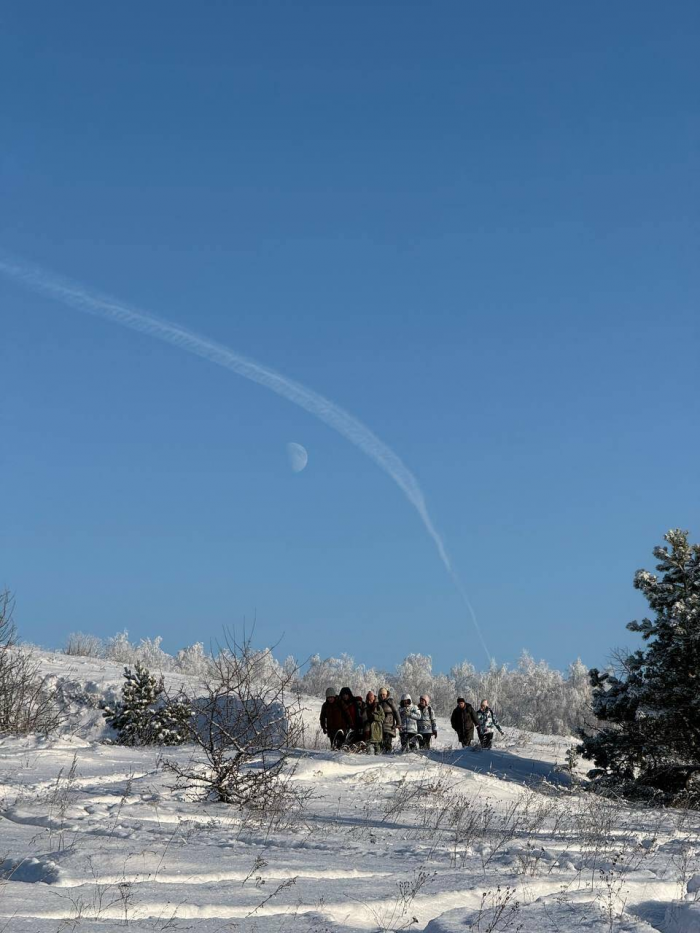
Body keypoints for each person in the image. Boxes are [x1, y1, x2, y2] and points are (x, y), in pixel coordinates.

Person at [378, 687, 400, 753]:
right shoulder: (378, 703)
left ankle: (388, 754)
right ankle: (381, 755)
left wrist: (398, 723)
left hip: (389, 725)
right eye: (381, 694)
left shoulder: (390, 702)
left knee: (388, 741)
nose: (382, 696)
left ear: (386, 694)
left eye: (384, 694)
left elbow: (396, 712)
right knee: (381, 741)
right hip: (381, 726)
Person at [363, 691, 385, 755]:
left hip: (376, 728)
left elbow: (383, 717)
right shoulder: (365, 707)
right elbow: (362, 717)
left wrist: (375, 717)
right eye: (369, 699)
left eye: (371, 699)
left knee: (377, 744)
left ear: (374, 698)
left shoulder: (378, 707)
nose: (370, 700)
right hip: (367, 729)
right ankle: (368, 758)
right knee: (368, 744)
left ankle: (378, 759)